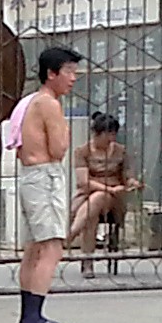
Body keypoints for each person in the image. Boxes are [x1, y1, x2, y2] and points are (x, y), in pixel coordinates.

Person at [4, 45, 83, 323]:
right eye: (69, 72)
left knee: (34, 248)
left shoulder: (30, 102)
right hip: (45, 176)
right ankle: (35, 316)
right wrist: (64, 129)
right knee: (51, 246)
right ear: (52, 74)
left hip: (30, 176)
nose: (73, 78)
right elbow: (59, 149)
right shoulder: (49, 104)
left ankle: (28, 313)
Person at [67, 111, 132, 268]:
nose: (111, 139)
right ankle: (87, 261)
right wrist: (107, 188)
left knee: (100, 197)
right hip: (87, 195)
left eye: (113, 134)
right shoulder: (82, 152)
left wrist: (133, 183)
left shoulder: (121, 151)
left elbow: (127, 176)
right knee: (93, 214)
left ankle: (71, 234)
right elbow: (84, 182)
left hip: (114, 199)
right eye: (107, 134)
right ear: (97, 133)